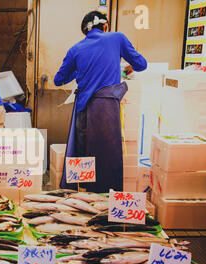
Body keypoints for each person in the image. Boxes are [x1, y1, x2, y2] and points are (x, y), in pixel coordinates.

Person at [54, 11, 147, 193]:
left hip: (83, 110)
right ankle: (104, 201)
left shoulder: (75, 49)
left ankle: (81, 196)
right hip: (107, 108)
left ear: (85, 31)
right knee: (107, 157)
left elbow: (59, 80)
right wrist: (127, 66)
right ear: (105, 26)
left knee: (81, 152)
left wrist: (80, 70)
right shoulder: (117, 38)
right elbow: (141, 64)